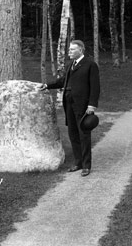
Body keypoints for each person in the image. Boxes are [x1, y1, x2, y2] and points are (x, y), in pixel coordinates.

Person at [39, 40, 100, 177]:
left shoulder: (90, 64)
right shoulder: (70, 65)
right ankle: (78, 162)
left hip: (82, 105)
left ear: (81, 50)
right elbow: (62, 81)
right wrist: (47, 85)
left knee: (83, 134)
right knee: (73, 133)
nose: (69, 52)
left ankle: (86, 165)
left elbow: (95, 87)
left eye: (72, 50)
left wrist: (91, 105)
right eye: (69, 50)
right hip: (69, 103)